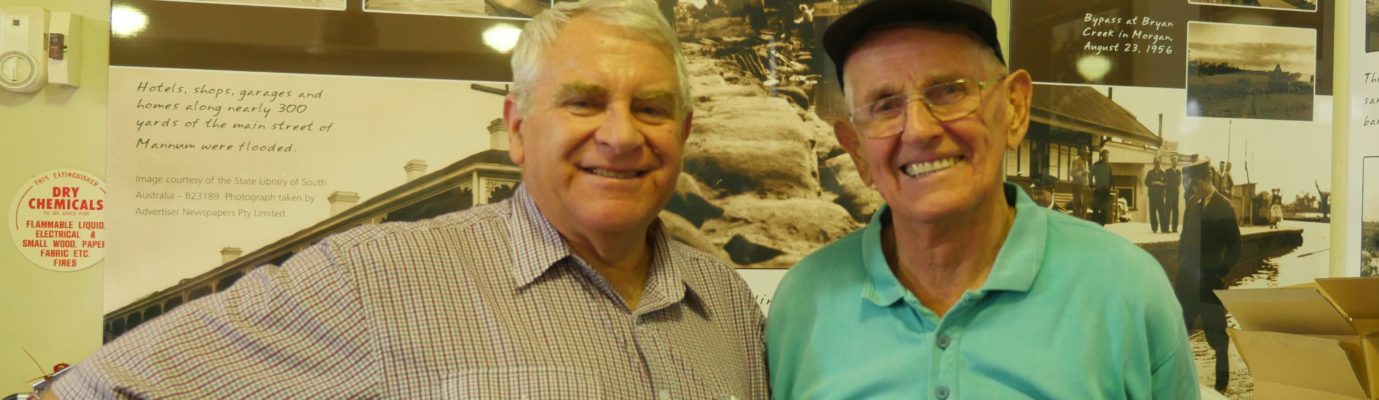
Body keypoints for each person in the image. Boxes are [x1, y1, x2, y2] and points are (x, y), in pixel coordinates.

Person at [44, 1, 768, 398]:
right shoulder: (378, 277)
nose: (620, 135)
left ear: (684, 131)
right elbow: (97, 391)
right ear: (517, 130)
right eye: (582, 103)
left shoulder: (724, 302)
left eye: (650, 108)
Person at [765, 0, 1200, 398]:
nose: (918, 130)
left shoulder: (1125, 289)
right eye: (884, 105)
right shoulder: (804, 304)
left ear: (1014, 108)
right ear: (857, 150)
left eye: (949, 91)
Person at [1176, 161, 1242, 393]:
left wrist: (1219, 272)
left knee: (1218, 338)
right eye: (1191, 184)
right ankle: (1179, 384)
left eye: (1196, 184)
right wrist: (1181, 265)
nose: (1193, 188)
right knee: (1179, 333)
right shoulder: (1192, 204)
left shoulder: (1225, 207)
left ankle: (1221, 386)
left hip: (1211, 283)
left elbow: (1234, 248)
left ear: (1207, 180)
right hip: (1187, 282)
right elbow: (1184, 239)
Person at [1090, 148, 1113, 225]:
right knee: (1096, 207)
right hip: (1098, 189)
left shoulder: (1109, 166)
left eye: (1107, 156)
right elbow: (1090, 175)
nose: (1106, 157)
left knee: (1104, 208)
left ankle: (1102, 224)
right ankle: (1096, 223)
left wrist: (1110, 187)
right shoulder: (1096, 165)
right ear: (1101, 156)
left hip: (1105, 190)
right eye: (1105, 156)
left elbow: (1111, 178)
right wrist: (1091, 185)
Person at [1144, 156, 1167, 233]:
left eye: (1158, 162)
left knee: (1162, 212)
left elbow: (1167, 183)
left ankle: (1164, 228)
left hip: (1160, 195)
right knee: (1152, 212)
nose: (1157, 164)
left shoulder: (1163, 173)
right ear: (1153, 163)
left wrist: (1161, 184)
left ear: (1160, 163)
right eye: (1156, 162)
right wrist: (1153, 183)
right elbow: (1146, 182)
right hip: (1152, 195)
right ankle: (1154, 228)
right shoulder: (1150, 173)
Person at [1163, 155, 1182, 233]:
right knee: (1168, 210)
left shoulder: (1178, 172)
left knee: (1175, 211)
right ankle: (1166, 228)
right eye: (1173, 160)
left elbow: (1179, 182)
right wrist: (1165, 191)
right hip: (1169, 193)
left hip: (1176, 193)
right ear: (1171, 161)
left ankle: (1175, 228)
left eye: (1176, 160)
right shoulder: (1167, 171)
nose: (1175, 162)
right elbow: (1165, 182)